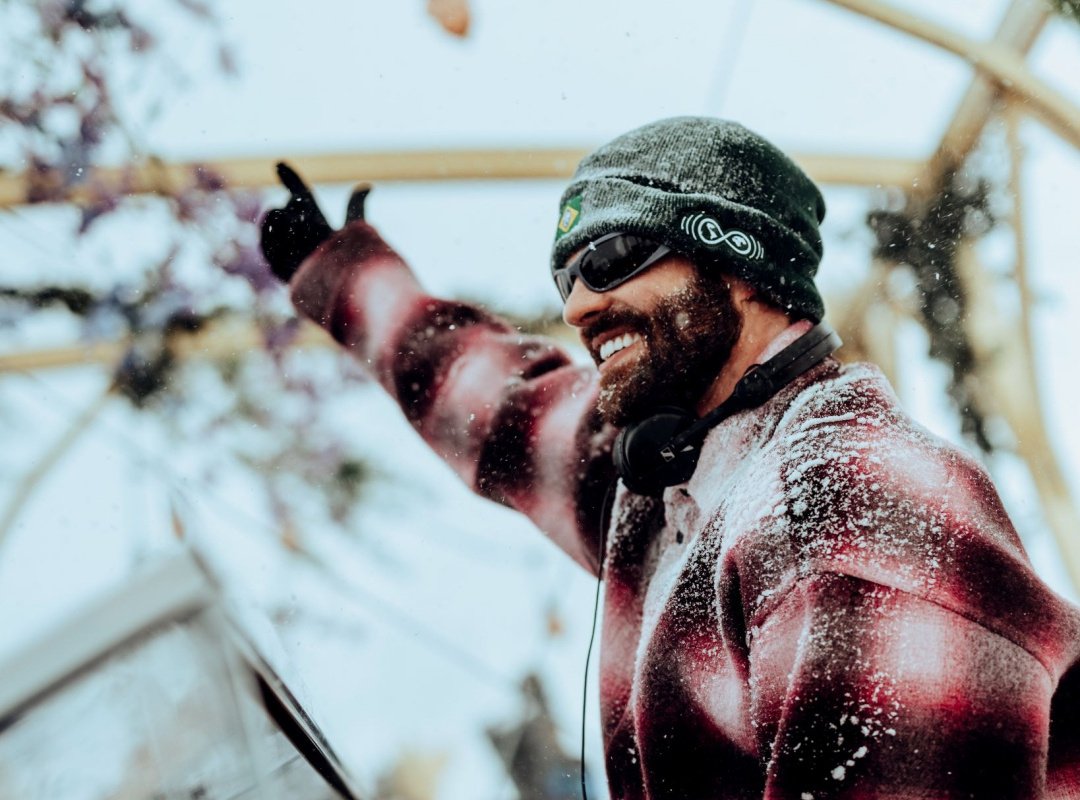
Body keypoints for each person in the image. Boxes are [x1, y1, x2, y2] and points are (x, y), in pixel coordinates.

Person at [260, 117, 1080, 799]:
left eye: (611, 257)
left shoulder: (844, 499)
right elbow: (507, 413)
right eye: (566, 279)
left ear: (743, 261)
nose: (579, 306)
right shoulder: (672, 484)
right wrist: (349, 282)